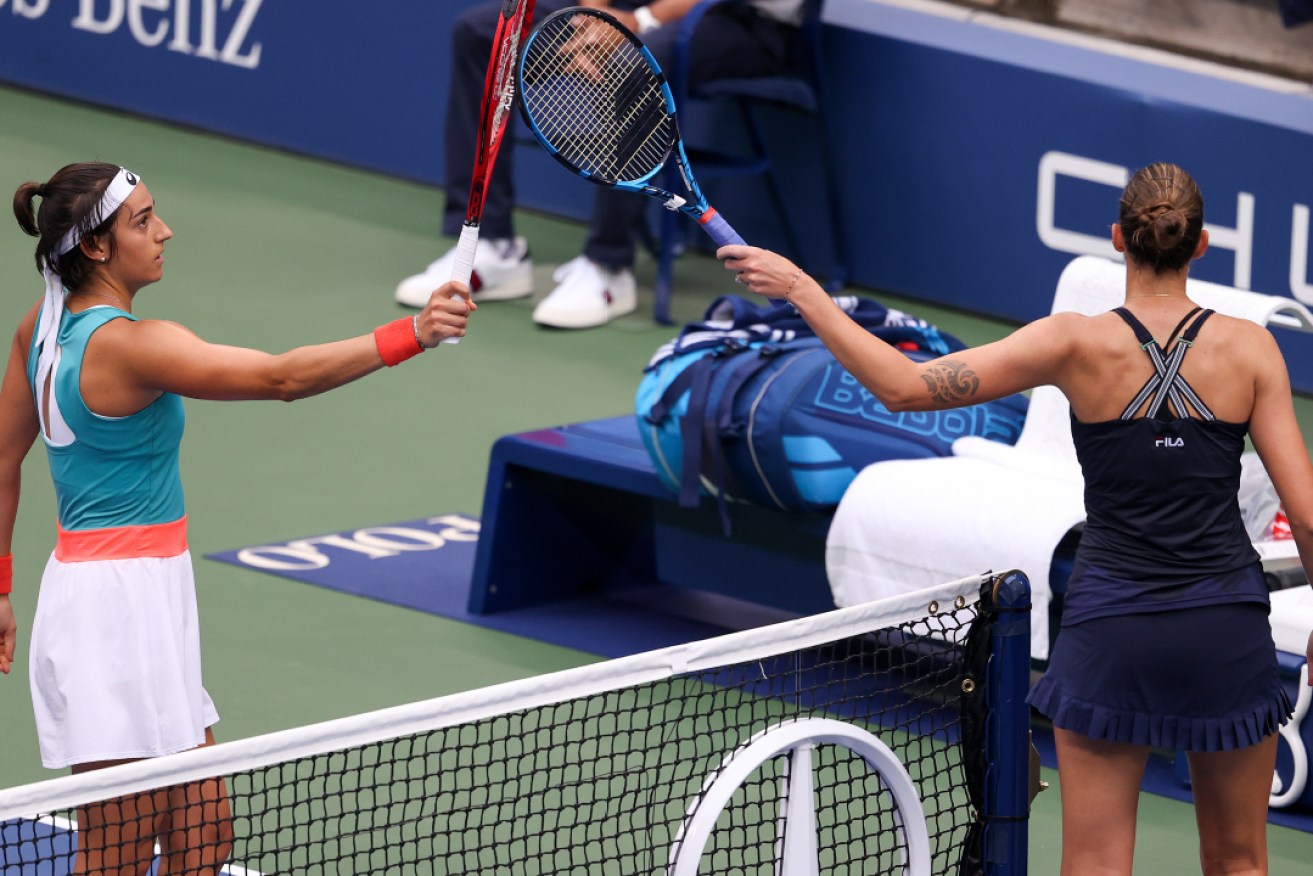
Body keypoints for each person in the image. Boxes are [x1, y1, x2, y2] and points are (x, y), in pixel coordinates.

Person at [720, 162, 1313, 875]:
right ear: (1201, 245)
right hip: (1223, 628)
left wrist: (801, 291)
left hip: (1109, 631)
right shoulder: (1251, 348)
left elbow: (903, 388)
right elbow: (1306, 516)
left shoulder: (1069, 342)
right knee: (1240, 863)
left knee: (1092, 861)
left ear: (1117, 239)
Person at [0, 162, 472, 875]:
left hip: (141, 601)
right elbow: (281, 378)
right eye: (142, 222)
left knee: (202, 837)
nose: (164, 231)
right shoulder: (132, 345)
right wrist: (414, 333)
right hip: (111, 620)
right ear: (96, 248)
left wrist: (1, 587)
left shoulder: (43, 324)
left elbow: (2, 462)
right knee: (117, 855)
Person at [395, 0, 804, 329]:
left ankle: (608, 265)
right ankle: (495, 248)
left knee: (634, 60)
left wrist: (640, 21)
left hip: (737, 18)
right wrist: (596, 17)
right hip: (625, 8)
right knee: (484, 34)